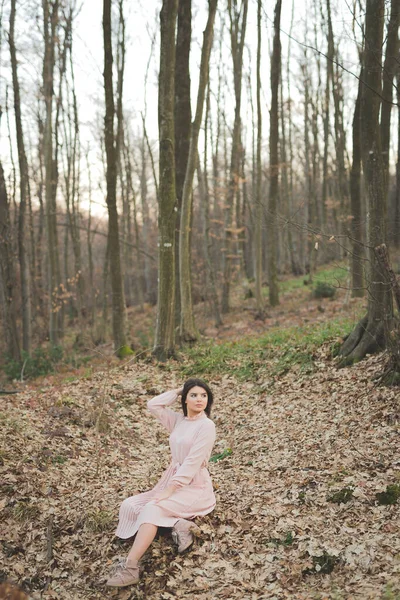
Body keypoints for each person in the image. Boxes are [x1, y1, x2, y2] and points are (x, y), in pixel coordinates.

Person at [106, 378, 217, 588]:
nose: (199, 399)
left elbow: (192, 463)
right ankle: (179, 524)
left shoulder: (206, 425)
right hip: (171, 477)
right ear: (185, 399)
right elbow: (153, 405)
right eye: (193, 395)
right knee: (130, 505)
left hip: (194, 486)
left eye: (204, 395)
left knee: (152, 508)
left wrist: (170, 490)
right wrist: (178, 390)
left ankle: (131, 567)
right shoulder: (178, 421)